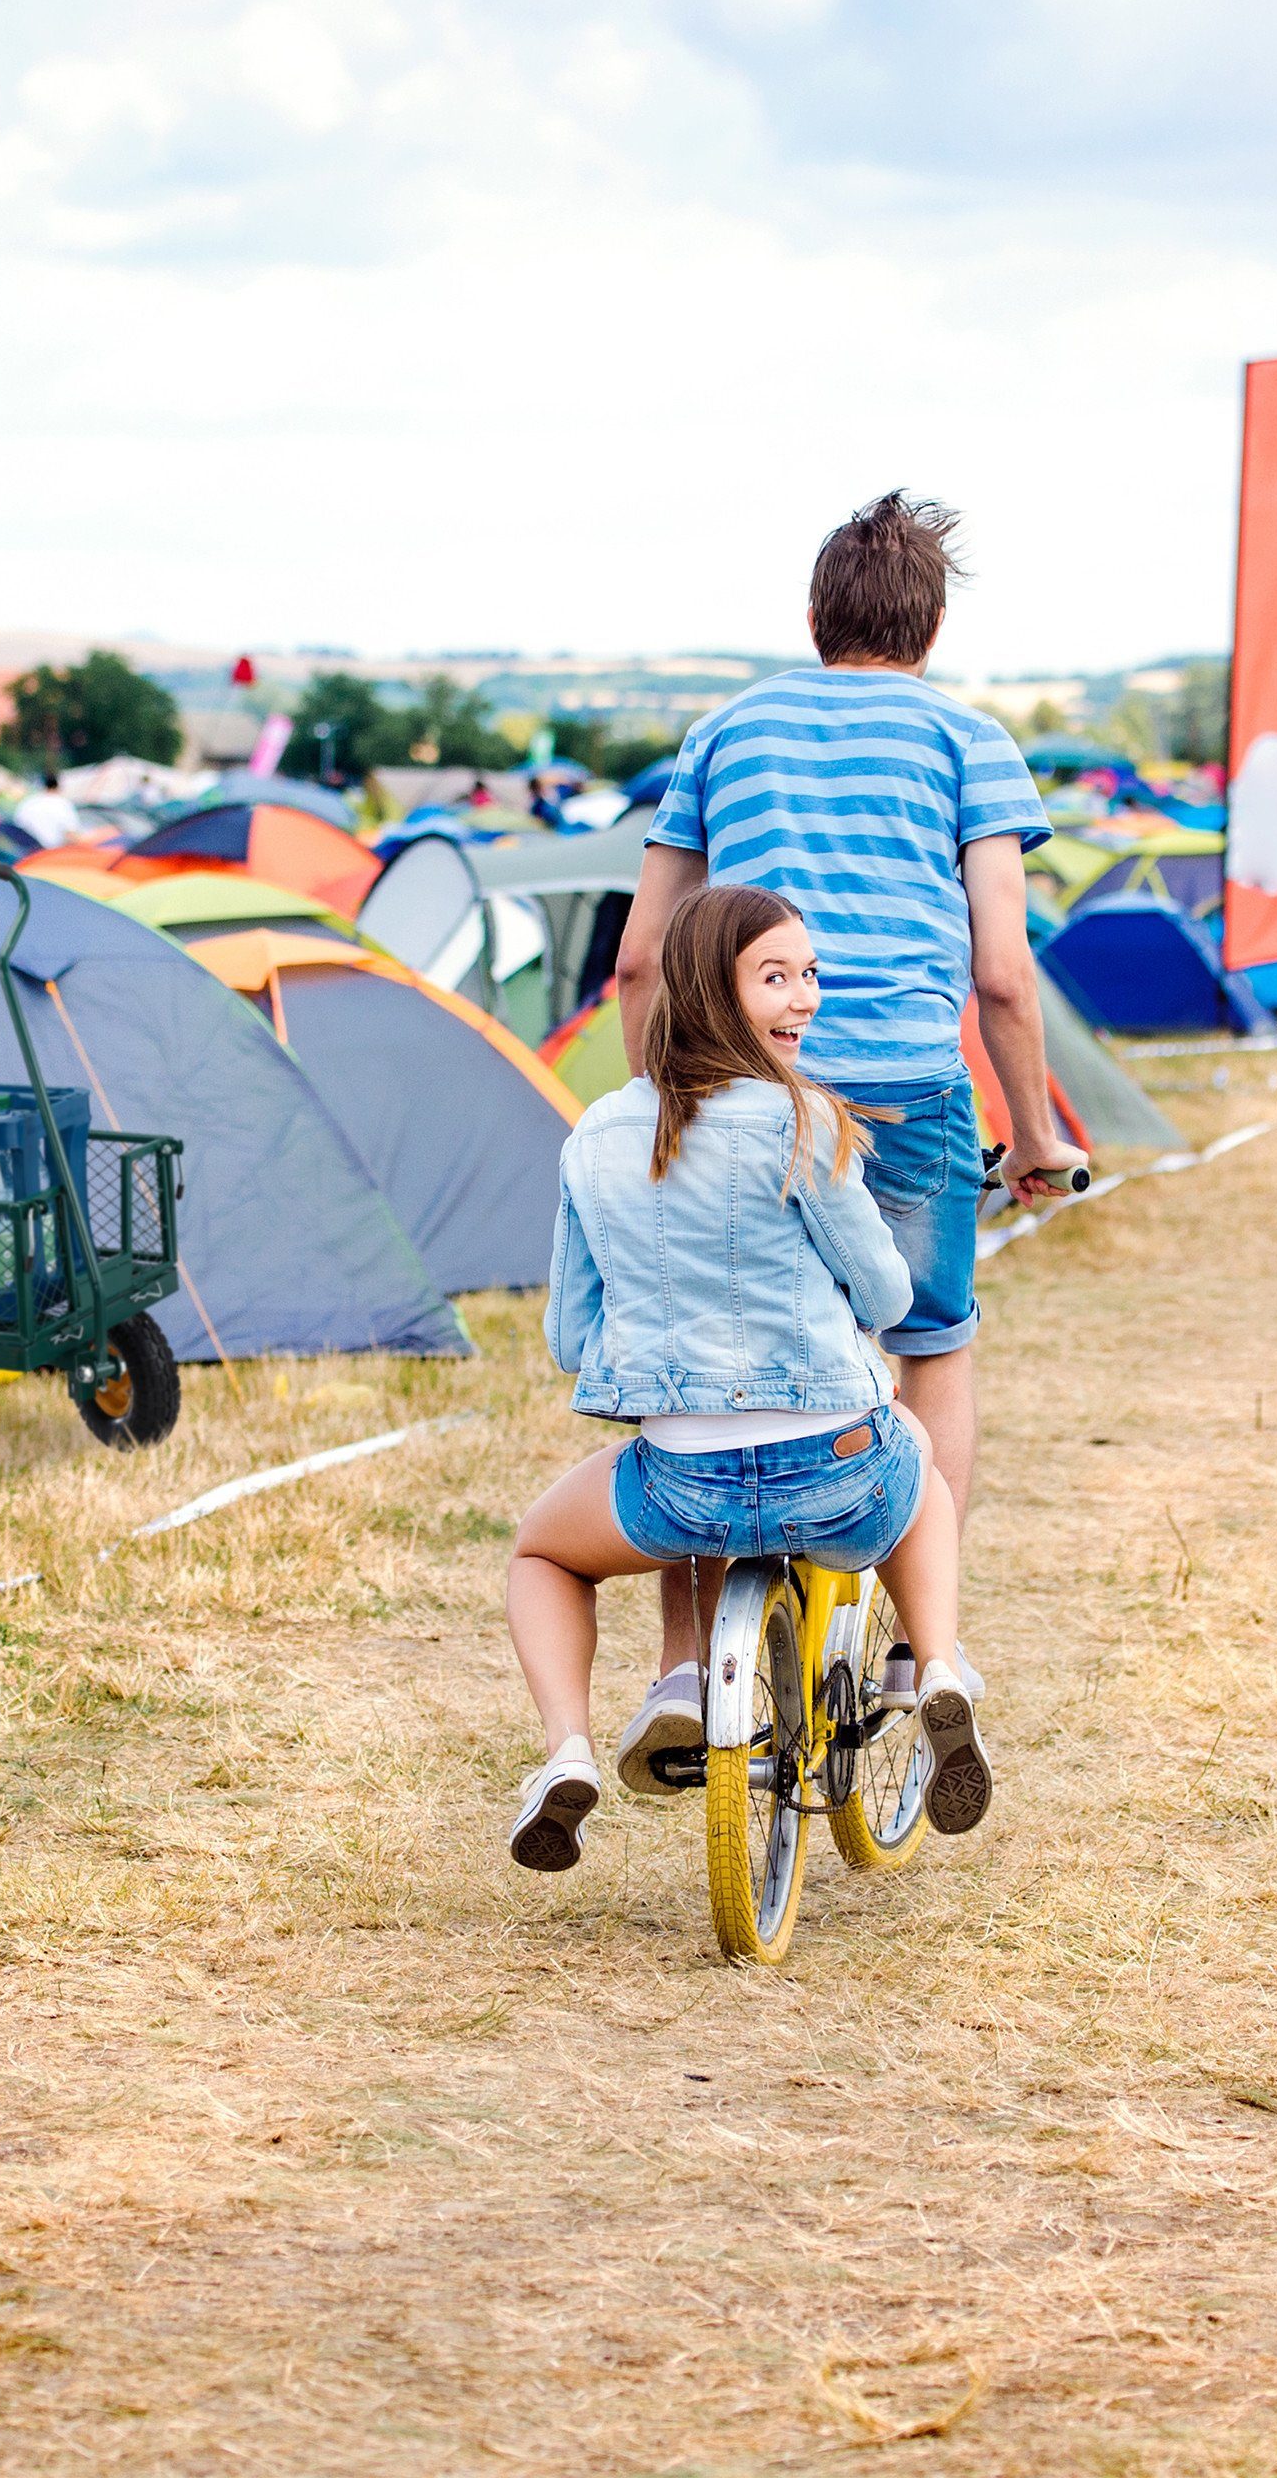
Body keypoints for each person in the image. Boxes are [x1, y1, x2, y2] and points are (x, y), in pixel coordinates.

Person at [606, 492, 1085, 1788]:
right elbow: (1003, 976)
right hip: (913, 1092)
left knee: (713, 1354)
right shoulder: (971, 742)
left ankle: (692, 1665)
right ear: (929, 627)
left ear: (816, 618)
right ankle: (916, 1657)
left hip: (741, 1083)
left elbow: (644, 956)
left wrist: (658, 1113)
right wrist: (1035, 1136)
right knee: (933, 1347)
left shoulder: (725, 730)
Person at [504, 884, 984, 1869]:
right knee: (921, 1470)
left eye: (810, 975)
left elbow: (566, 1335)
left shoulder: (594, 1134)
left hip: (683, 1488)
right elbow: (887, 1297)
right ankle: (937, 1666)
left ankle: (566, 1750)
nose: (804, 998)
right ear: (714, 992)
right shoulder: (800, 1119)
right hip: (839, 1464)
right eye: (775, 976)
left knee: (540, 1556)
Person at [11, 766, 78, 851]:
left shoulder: (26, 803)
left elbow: (18, 830)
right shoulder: (62, 803)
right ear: (58, 785)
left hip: (28, 853)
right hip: (52, 853)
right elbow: (71, 834)